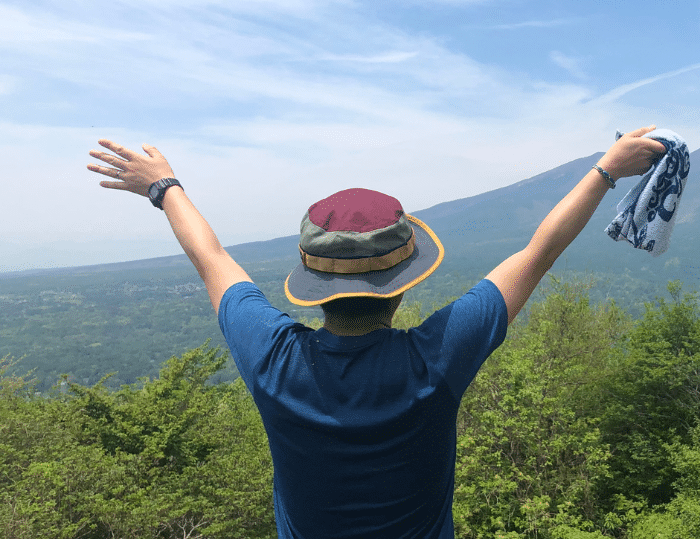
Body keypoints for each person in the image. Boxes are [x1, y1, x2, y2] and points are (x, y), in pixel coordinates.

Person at [86, 128, 666, 539]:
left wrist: (163, 186)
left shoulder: (271, 358)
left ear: (310, 279)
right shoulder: (437, 358)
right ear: (405, 282)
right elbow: (537, 253)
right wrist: (606, 169)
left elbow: (211, 258)